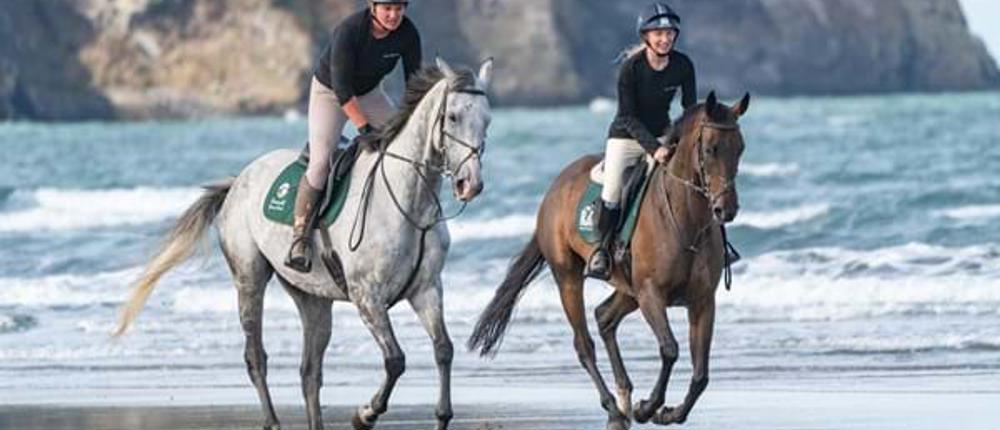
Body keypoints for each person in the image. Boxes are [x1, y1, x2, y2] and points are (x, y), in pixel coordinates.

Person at [286, 0, 422, 273]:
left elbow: (414, 85)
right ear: (373, 7)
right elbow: (343, 90)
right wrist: (364, 128)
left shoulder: (408, 33)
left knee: (405, 149)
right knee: (321, 163)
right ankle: (299, 237)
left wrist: (411, 124)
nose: (394, 15)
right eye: (387, 9)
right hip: (331, 93)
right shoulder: (349, 31)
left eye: (399, 8)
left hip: (370, 94)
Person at [588, 2, 695, 280]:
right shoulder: (631, 69)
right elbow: (628, 117)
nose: (665, 38)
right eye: (658, 33)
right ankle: (601, 251)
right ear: (645, 36)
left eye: (670, 33)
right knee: (611, 191)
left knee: (692, 182)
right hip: (625, 136)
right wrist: (655, 149)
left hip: (662, 133)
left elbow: (690, 109)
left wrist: (685, 141)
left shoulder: (683, 65)